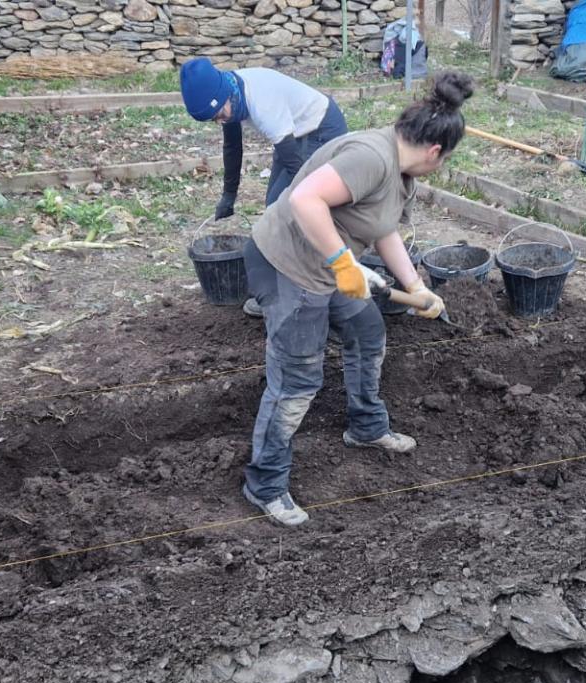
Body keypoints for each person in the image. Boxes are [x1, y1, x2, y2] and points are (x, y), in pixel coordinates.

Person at [240, 72, 474, 526]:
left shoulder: (403, 174)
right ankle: (264, 483)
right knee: (297, 380)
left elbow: (383, 228)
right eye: (444, 162)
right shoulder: (371, 156)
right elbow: (305, 199)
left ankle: (366, 428)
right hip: (287, 264)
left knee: (367, 332)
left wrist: (416, 285)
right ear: (434, 152)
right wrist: (345, 263)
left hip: (326, 267)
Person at [180, 57, 349, 317]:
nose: (220, 122)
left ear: (226, 97)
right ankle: (278, 288)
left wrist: (308, 204)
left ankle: (312, 291)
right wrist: (229, 195)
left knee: (294, 210)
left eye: (219, 115)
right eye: (214, 120)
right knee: (274, 206)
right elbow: (232, 147)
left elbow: (299, 176)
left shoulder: (262, 103)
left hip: (321, 129)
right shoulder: (230, 94)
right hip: (294, 133)